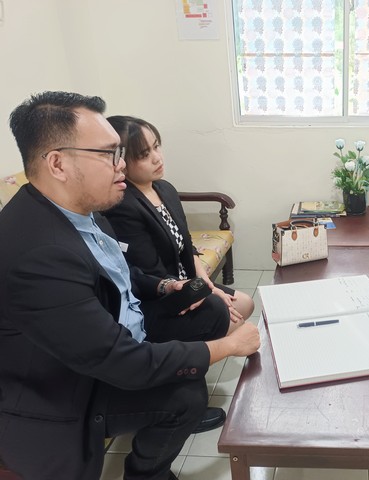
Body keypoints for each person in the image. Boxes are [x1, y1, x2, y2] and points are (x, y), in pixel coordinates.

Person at [0, 91, 260, 480]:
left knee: (202, 331)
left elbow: (120, 272)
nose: (121, 165)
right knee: (185, 394)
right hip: (61, 391)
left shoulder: (83, 210)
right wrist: (228, 346)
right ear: (58, 164)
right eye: (109, 154)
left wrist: (164, 287)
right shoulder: (39, 255)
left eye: (120, 153)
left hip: (109, 341)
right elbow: (122, 362)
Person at [102, 115, 254, 344]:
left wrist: (206, 284)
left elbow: (187, 245)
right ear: (121, 162)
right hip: (160, 293)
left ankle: (199, 343)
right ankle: (189, 351)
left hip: (187, 280)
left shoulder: (165, 189)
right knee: (226, 313)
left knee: (245, 304)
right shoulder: (123, 206)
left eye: (156, 147)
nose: (157, 158)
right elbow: (151, 273)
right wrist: (202, 291)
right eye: (144, 155)